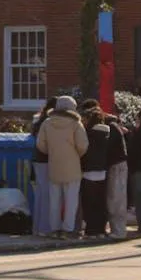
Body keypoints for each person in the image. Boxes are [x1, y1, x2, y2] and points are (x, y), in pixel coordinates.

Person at [36, 95, 89, 239]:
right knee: (71, 200)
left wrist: (51, 151)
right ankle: (68, 229)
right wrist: (75, 154)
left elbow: (41, 144)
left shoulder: (47, 123)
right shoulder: (76, 124)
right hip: (73, 166)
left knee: (55, 199)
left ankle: (55, 228)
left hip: (54, 164)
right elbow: (83, 145)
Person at [79, 103, 111, 239]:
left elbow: (84, 152)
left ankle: (91, 230)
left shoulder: (88, 134)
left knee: (89, 203)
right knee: (100, 202)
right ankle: (101, 229)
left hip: (88, 171)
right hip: (102, 171)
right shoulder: (106, 133)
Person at [31, 97, 56, 237]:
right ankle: (45, 227)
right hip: (46, 159)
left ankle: (37, 227)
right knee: (47, 194)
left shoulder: (38, 120)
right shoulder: (49, 122)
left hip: (37, 159)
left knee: (40, 194)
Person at [103, 114, 129, 240]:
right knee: (118, 198)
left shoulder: (111, 128)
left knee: (115, 198)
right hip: (120, 165)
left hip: (115, 166)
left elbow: (108, 149)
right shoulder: (116, 129)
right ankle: (119, 230)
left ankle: (118, 231)